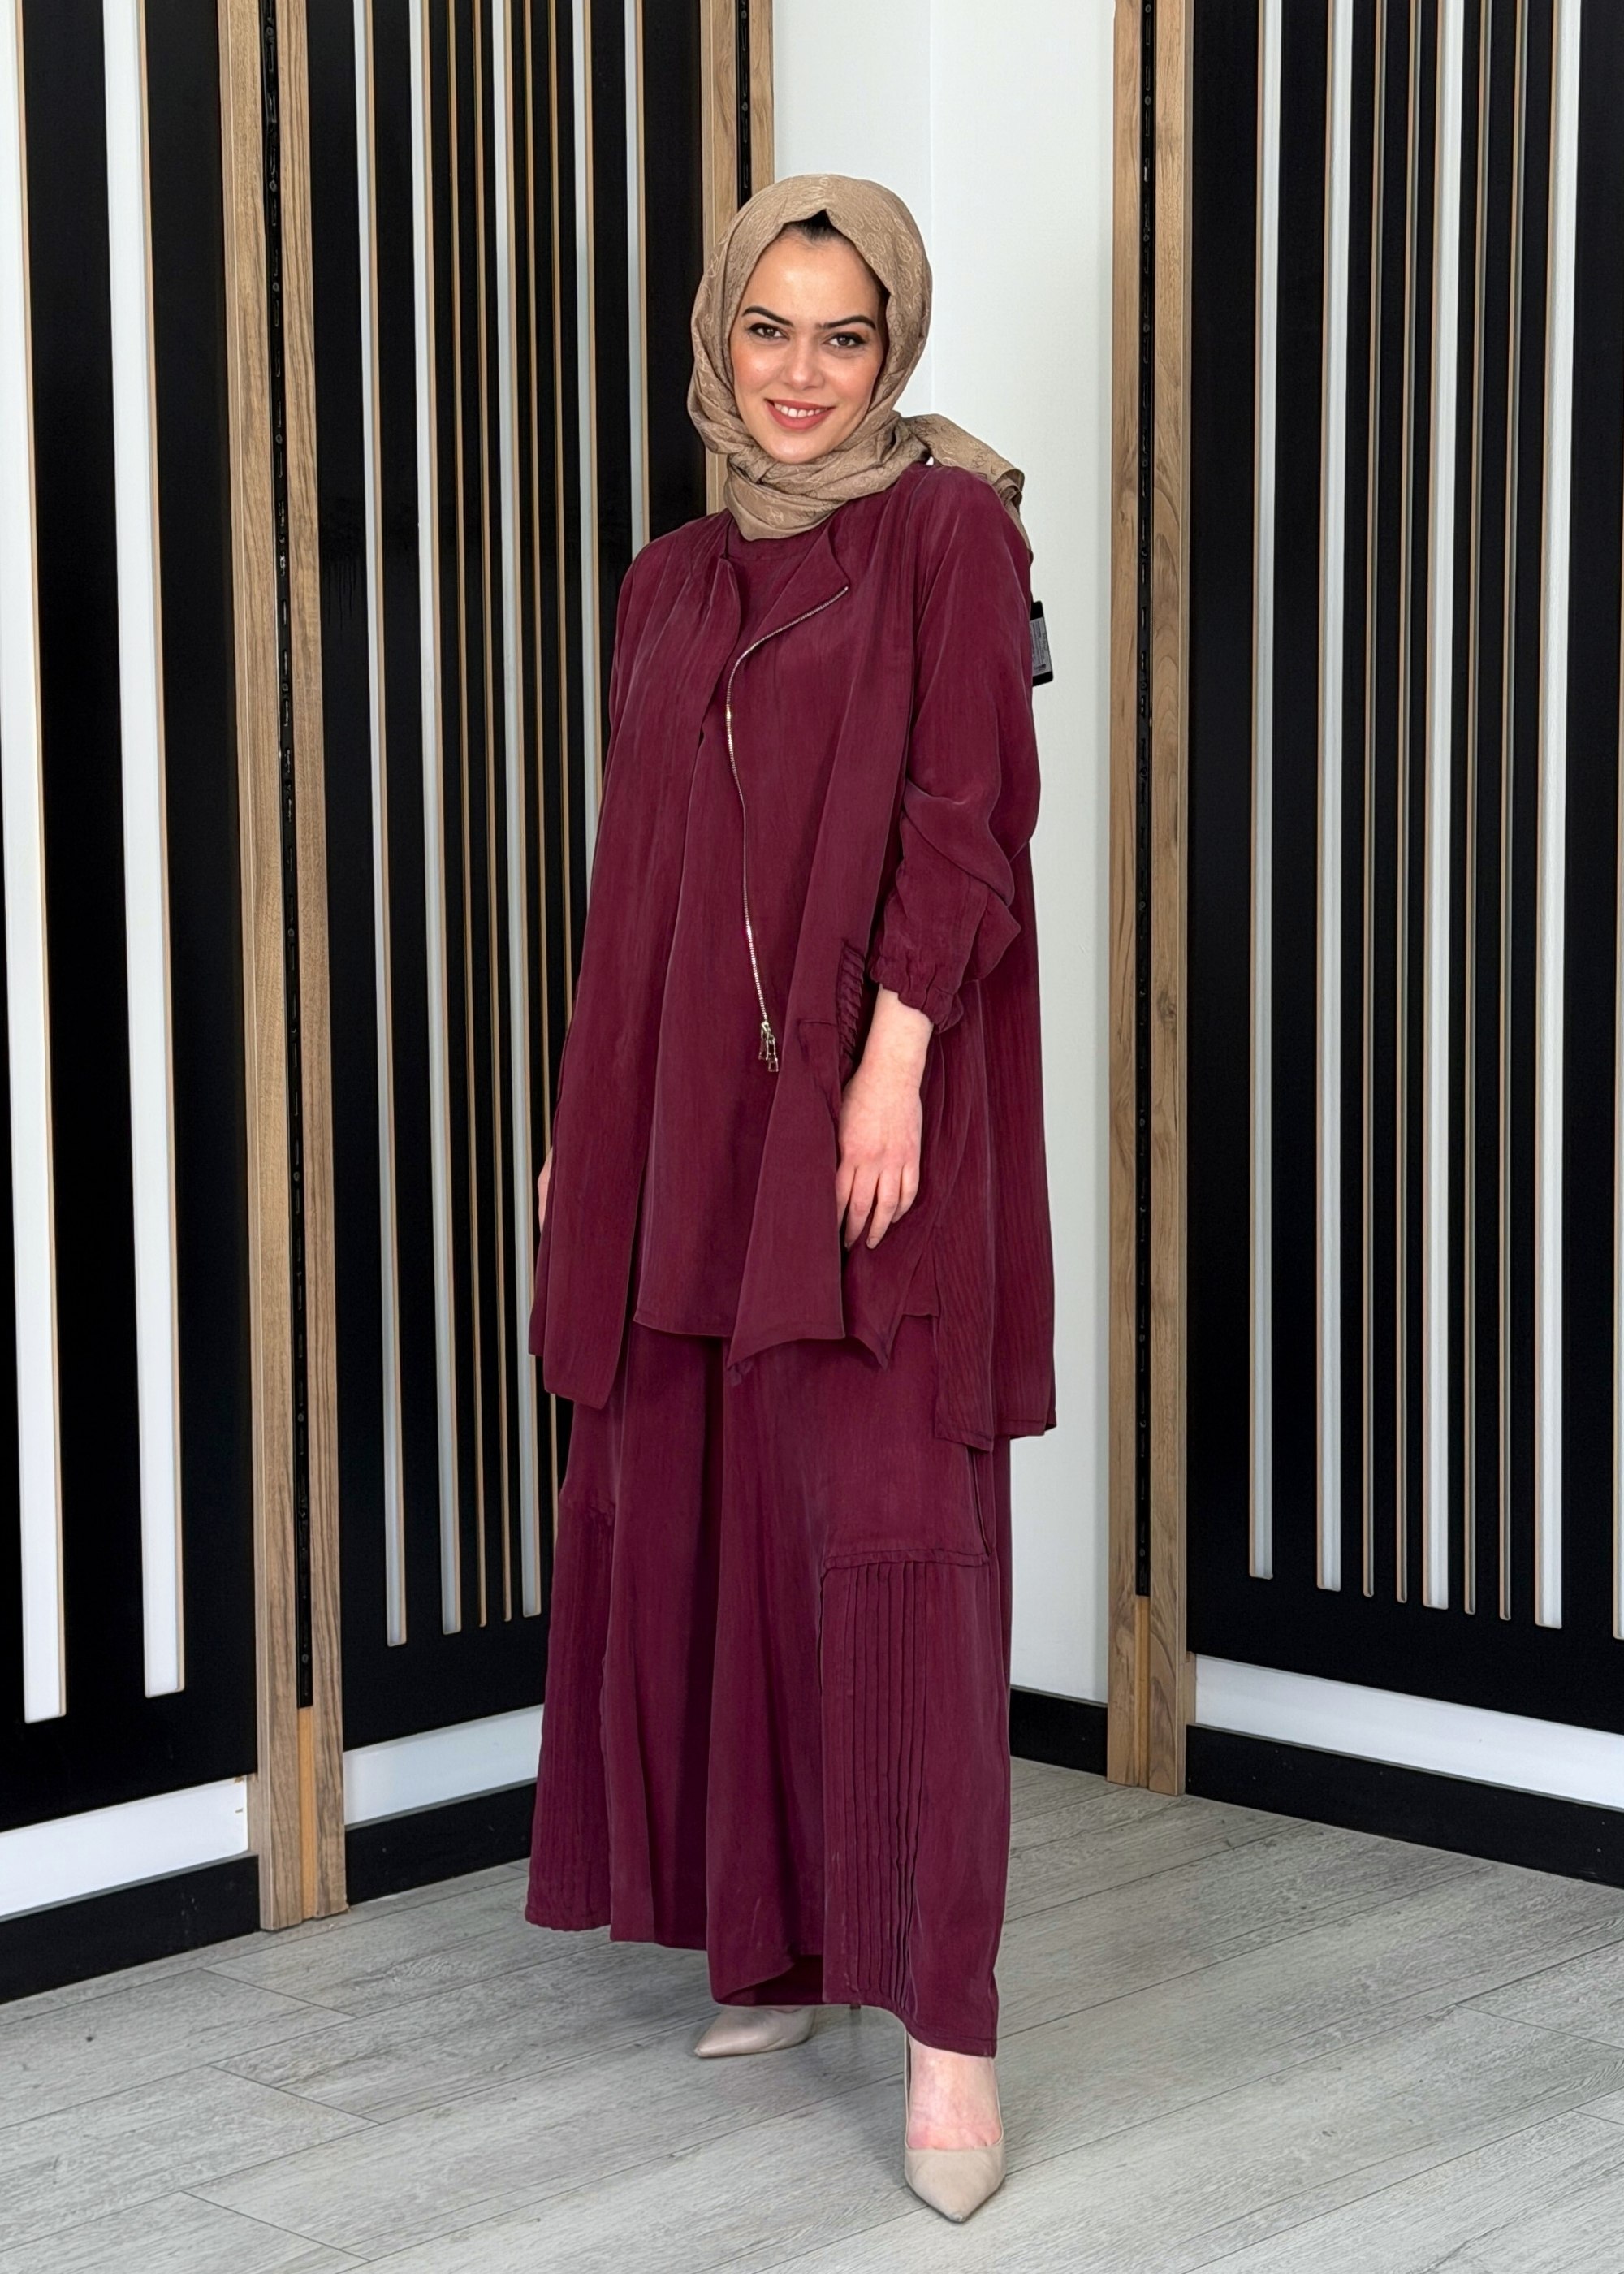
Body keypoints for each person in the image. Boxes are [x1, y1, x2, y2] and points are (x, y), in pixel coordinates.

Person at [525, 171, 1054, 2224]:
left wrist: (893, 1062)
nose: (804, 373)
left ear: (893, 342)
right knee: (719, 1515)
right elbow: (639, 877)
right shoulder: (667, 579)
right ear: (718, 337)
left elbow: (966, 815)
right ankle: (781, 1939)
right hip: (683, 1122)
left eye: (847, 335)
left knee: (895, 1537)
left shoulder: (949, 528)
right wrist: (589, 1125)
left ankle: (948, 2033)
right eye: (770, 328)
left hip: (870, 1109)